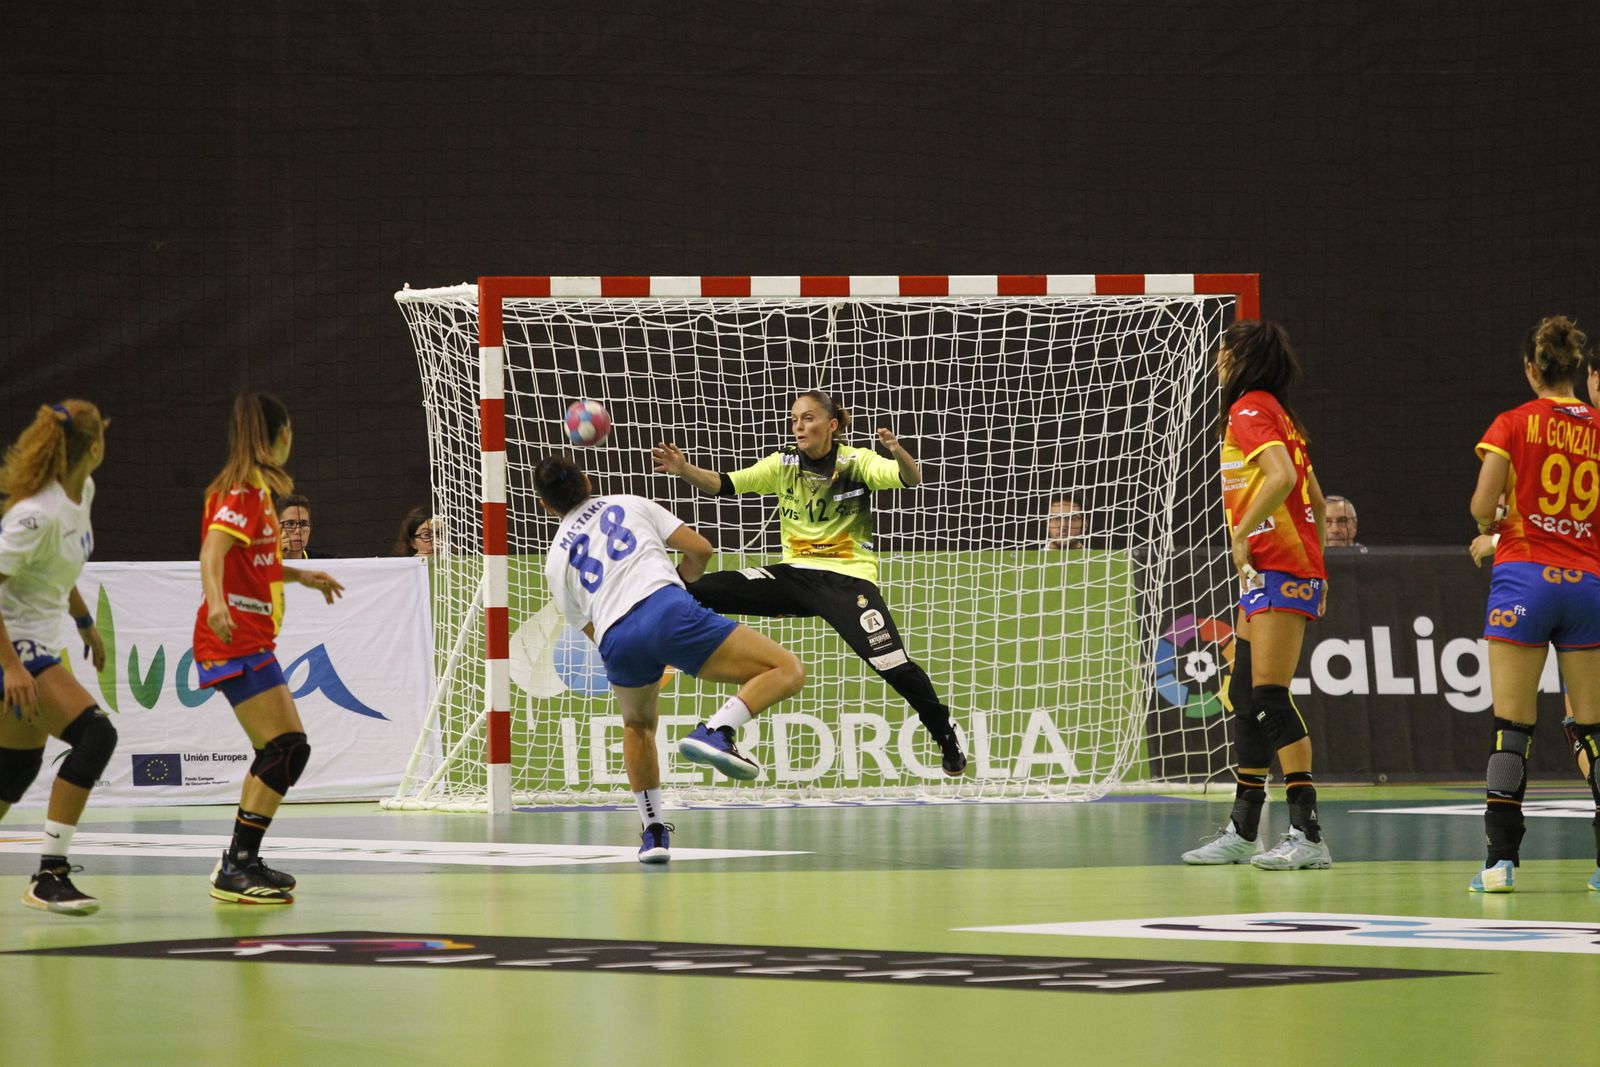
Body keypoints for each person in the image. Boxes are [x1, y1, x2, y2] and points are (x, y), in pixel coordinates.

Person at [651, 389, 968, 776]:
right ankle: (704, 705)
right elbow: (724, 484)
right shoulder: (782, 463)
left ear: (832, 425)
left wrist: (899, 452)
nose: (799, 426)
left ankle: (944, 732)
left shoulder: (857, 461)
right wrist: (685, 470)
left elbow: (909, 478)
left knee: (894, 667)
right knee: (693, 592)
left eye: (809, 418)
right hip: (793, 576)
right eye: (795, 419)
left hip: (847, 581)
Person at [535, 453, 804, 862]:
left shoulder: (556, 559)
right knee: (786, 668)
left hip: (617, 638)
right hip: (668, 609)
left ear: (546, 505)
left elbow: (590, 628)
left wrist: (638, 647)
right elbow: (701, 549)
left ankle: (653, 834)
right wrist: (681, 585)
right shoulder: (628, 503)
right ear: (587, 480)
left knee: (637, 725)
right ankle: (716, 729)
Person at [1181, 320, 1331, 871]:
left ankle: (1308, 834)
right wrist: (1314, 563)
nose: (1219, 360)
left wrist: (1243, 534)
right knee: (1244, 695)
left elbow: (1285, 477)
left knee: (1268, 696)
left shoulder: (1248, 410)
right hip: (1279, 569)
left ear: (1242, 358)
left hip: (1277, 568)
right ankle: (1244, 830)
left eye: (1225, 352)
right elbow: (1312, 490)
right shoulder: (1276, 412)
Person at [1465, 315, 1600, 893]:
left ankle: (1500, 863)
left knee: (1511, 728)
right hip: (1588, 583)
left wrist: (1490, 526)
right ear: (1577, 368)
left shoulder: (1513, 423)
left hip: (1524, 578)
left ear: (1531, 368)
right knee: (1594, 732)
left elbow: (1481, 502)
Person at [194, 393, 344, 904]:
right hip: (232, 639)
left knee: (279, 750)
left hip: (251, 639)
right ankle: (236, 864)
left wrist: (301, 574)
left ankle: (243, 859)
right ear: (279, 436)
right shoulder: (240, 493)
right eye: (290, 432)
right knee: (287, 748)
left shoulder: (255, 494)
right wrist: (217, 603)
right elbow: (212, 550)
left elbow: (254, 563)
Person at [0, 400, 117, 916]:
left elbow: (58, 569)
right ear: (93, 446)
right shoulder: (34, 514)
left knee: (14, 770)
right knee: (96, 733)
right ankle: (50, 874)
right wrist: (10, 667)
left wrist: (84, 620)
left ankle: (49, 872)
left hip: (42, 644)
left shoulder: (81, 492)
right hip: (15, 647)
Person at [276, 493, 329, 560]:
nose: (298, 531)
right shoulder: (263, 564)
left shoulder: (326, 561)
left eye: (304, 524)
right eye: (290, 524)